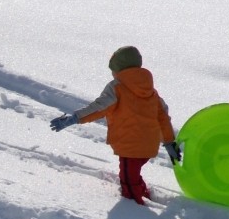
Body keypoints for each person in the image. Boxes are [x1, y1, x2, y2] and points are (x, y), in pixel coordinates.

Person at [50, 46, 181, 205]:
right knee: (133, 174)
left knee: (127, 179)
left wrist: (75, 118)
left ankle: (135, 208)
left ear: (119, 69)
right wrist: (169, 142)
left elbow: (99, 107)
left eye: (113, 70)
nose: (112, 74)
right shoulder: (150, 90)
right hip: (149, 145)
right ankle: (143, 192)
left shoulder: (117, 87)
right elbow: (163, 117)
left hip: (129, 145)